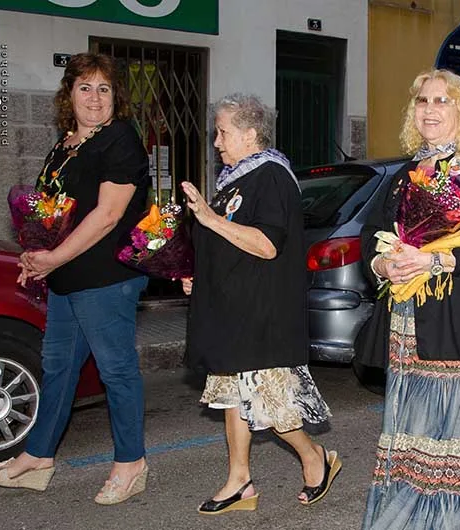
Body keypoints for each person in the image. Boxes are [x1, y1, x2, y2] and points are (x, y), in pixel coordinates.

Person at [0, 53, 151, 505]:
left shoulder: (120, 141)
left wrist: (53, 257)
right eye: (85, 87)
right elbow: (49, 210)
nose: (95, 98)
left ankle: (131, 462)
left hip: (105, 278)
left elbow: (108, 215)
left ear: (116, 97)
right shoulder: (65, 144)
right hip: (65, 277)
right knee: (58, 368)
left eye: (104, 89)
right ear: (69, 95)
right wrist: (34, 253)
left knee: (117, 371)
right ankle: (39, 456)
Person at [357, 69, 460, 530]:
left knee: (450, 424)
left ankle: (438, 519)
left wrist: (433, 261)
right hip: (406, 316)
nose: (430, 109)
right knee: (412, 424)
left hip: (457, 315)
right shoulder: (408, 173)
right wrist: (382, 264)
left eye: (442, 101)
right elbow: (370, 232)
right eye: (423, 100)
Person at [180, 93, 340, 515]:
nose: (216, 141)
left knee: (269, 402)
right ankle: (240, 482)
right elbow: (230, 243)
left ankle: (314, 457)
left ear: (251, 134)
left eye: (223, 132)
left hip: (262, 312)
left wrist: (210, 219)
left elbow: (268, 245)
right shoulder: (236, 179)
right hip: (233, 309)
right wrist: (203, 276)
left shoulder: (270, 176)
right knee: (232, 394)